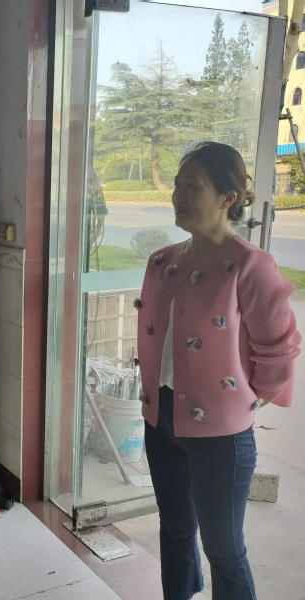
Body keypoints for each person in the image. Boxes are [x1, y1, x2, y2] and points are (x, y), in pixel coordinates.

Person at [135, 142, 301, 600]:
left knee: (224, 549)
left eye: (192, 186)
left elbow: (279, 347)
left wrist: (247, 399)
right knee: (175, 530)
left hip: (221, 436)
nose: (178, 195)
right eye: (177, 185)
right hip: (160, 419)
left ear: (229, 198)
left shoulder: (249, 265)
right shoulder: (162, 262)